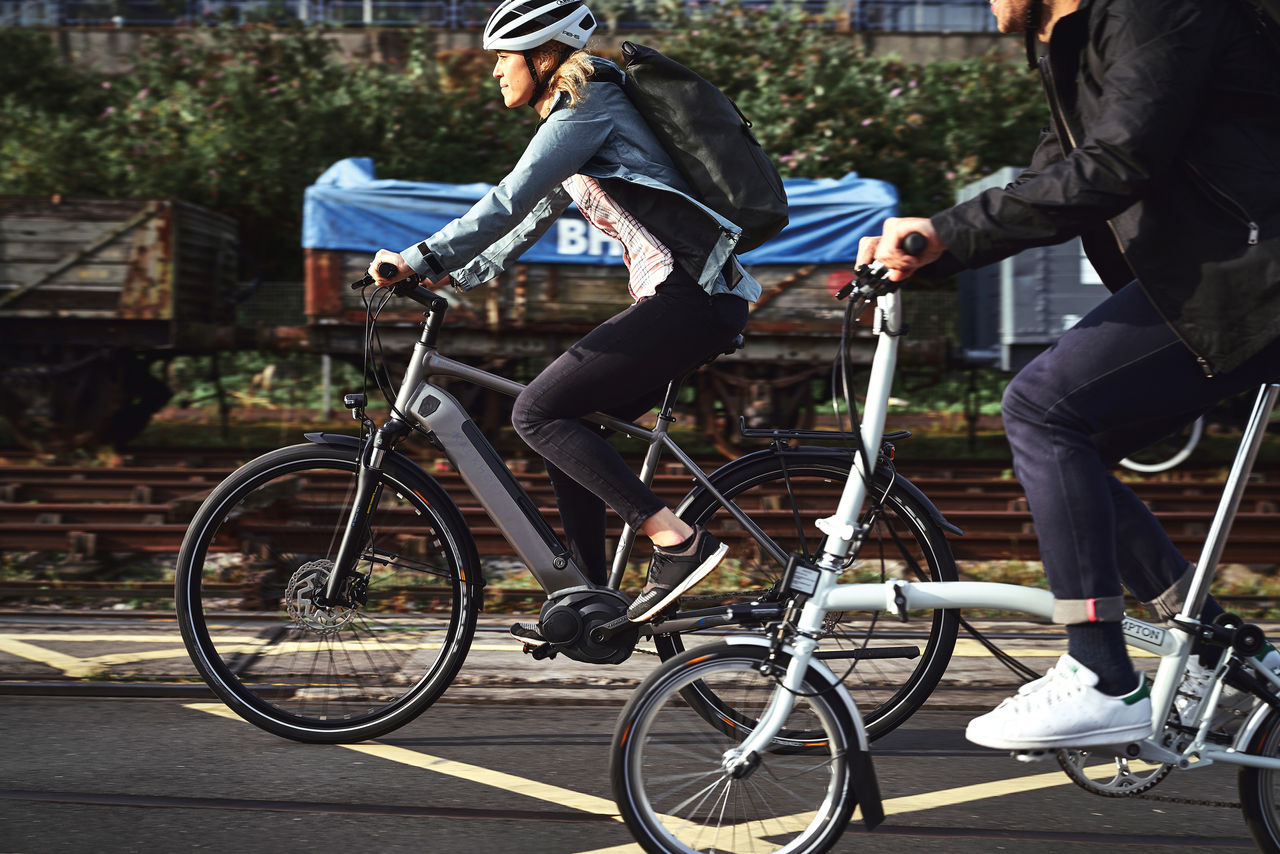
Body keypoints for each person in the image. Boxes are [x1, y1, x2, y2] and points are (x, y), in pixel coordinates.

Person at [857, 0, 1280, 750]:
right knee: (1068, 454)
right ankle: (1219, 652)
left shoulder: (1156, 10)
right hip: (1218, 270)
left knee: (1044, 409)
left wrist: (947, 233)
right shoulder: (1074, 39)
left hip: (1252, 271)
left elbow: (1117, 162)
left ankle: (1099, 674)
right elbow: (1057, 168)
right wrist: (933, 250)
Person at [366, 0, 762, 628]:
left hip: (693, 295)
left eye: (503, 58)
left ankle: (678, 541)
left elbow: (508, 197)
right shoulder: (580, 115)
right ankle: (591, 598)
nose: (496, 72)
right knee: (566, 429)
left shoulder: (587, 109)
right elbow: (526, 217)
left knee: (537, 412)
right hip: (694, 298)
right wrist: (448, 276)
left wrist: (420, 256)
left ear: (543, 56)